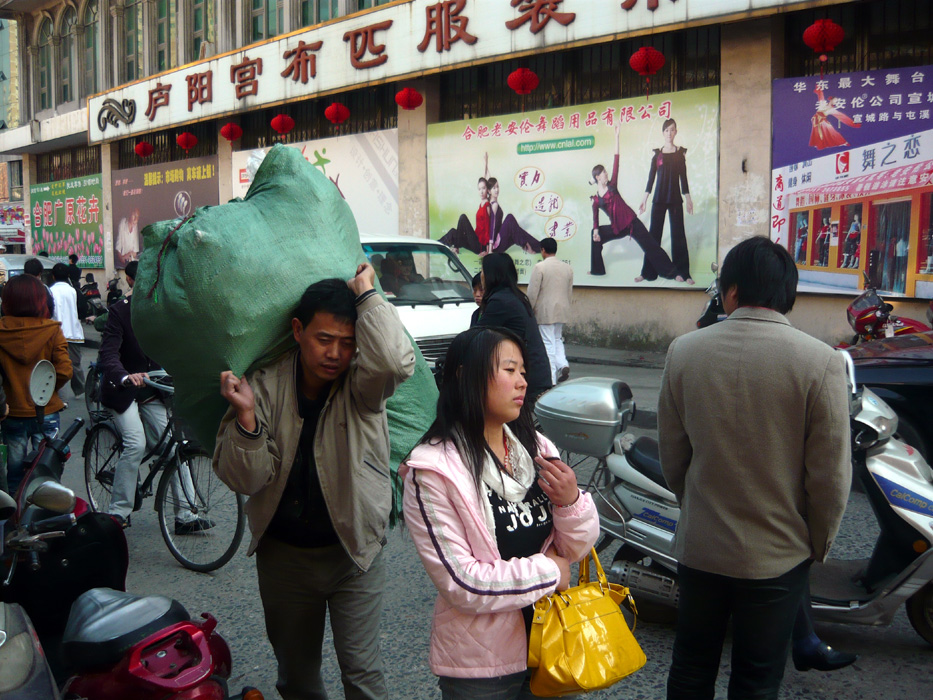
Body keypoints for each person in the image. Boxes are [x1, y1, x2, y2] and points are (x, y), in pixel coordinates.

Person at [658, 236, 851, 699]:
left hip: (701, 547)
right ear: (788, 293)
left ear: (730, 291)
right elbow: (830, 478)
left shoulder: (684, 351)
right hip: (777, 557)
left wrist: (697, 507)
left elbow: (673, 454)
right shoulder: (820, 362)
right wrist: (815, 544)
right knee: (757, 680)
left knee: (690, 668)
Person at [213, 263, 415, 700]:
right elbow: (243, 478)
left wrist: (367, 293)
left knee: (363, 676)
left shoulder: (363, 388)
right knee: (298, 677)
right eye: (324, 339)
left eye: (348, 343)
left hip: (354, 554)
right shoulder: (264, 387)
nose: (335, 354)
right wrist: (246, 418)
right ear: (298, 330)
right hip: (285, 560)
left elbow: (395, 361)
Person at [401, 326, 599, 699]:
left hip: (554, 638)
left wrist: (572, 501)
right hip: (483, 666)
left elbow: (574, 548)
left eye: (523, 371)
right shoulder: (433, 471)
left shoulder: (535, 446)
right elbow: (463, 582)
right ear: (466, 376)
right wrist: (549, 570)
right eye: (509, 370)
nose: (521, 382)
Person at [98, 261, 209, 532]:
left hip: (152, 391)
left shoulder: (164, 311)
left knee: (175, 447)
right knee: (135, 444)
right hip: (123, 391)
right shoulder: (120, 312)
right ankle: (119, 511)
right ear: (134, 281)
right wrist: (125, 376)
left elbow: (181, 349)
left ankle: (186, 516)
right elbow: (108, 354)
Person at [0, 274, 71, 495]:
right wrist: (47, 389)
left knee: (13, 474)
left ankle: (14, 523)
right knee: (47, 473)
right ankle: (42, 521)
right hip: (46, 411)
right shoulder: (51, 329)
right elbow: (64, 370)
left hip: (11, 413)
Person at [590, 124, 679, 280]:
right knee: (594, 235)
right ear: (598, 177)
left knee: (651, 246)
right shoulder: (596, 200)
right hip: (617, 228)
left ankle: (672, 273)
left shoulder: (612, 186)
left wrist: (616, 137)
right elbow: (595, 219)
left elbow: (616, 159)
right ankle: (597, 270)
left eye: (606, 172)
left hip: (631, 223)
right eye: (604, 173)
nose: (607, 174)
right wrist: (596, 230)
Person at [472, 253, 552, 412]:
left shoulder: (500, 302)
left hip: (525, 378)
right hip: (533, 373)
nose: (481, 275)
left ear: (491, 275)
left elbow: (475, 337)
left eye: (483, 270)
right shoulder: (515, 297)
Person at [639, 118, 695, 284]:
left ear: (676, 132)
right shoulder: (658, 154)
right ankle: (648, 272)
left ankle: (684, 273)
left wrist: (688, 198)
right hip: (659, 198)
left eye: (672, 130)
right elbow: (651, 178)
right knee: (653, 236)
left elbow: (683, 178)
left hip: (675, 198)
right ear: (662, 133)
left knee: (678, 235)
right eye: (666, 130)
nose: (669, 133)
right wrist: (644, 198)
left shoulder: (680, 154)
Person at [526, 237, 573, 384]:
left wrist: (529, 309)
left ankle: (551, 379)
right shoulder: (567, 268)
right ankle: (563, 364)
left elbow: (533, 292)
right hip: (562, 309)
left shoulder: (540, 267)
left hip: (545, 312)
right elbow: (569, 291)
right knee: (557, 339)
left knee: (548, 344)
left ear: (543, 250)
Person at [439, 154, 492, 256]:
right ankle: (436, 244)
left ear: (488, 190)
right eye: (479, 189)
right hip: (474, 240)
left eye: (484, 189)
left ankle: (456, 247)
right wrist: (485, 164)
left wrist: (488, 250)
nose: (481, 191)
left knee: (463, 217)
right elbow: (485, 180)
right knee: (453, 232)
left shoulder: (488, 206)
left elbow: (490, 229)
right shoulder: (481, 204)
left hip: (479, 245)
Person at [49, 263, 86, 398]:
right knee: (75, 363)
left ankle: (54, 391)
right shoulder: (74, 291)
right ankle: (80, 390)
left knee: (53, 364)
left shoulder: (50, 291)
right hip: (73, 333)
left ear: (53, 276)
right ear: (68, 276)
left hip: (55, 333)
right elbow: (82, 310)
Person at [487, 177, 542, 255]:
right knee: (510, 218)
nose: (496, 190)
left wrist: (486, 165)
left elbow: (487, 179)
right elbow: (492, 227)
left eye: (497, 186)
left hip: (498, 240)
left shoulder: (492, 202)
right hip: (496, 246)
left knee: (516, 230)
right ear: (489, 191)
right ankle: (529, 245)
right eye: (493, 188)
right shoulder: (494, 205)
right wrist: (490, 250)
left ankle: (538, 246)